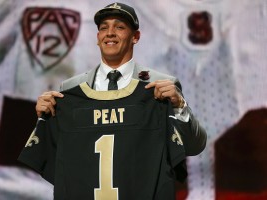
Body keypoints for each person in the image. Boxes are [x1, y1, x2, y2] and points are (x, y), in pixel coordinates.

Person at [35, 2, 207, 156]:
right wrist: (45, 119)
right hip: (89, 191)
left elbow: (193, 147)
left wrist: (179, 107)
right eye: (103, 28)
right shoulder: (71, 88)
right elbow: (57, 152)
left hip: (141, 191)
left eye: (119, 27)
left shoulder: (161, 86)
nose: (110, 33)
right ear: (98, 38)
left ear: (135, 37)